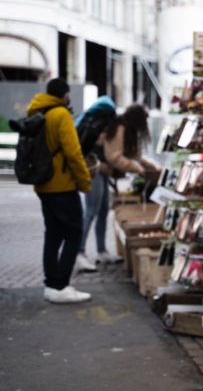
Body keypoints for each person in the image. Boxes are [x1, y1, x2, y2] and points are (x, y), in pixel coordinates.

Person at [28, 78, 92, 303]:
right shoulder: (61, 114)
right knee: (74, 233)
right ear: (65, 94)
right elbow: (73, 153)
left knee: (53, 234)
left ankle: (51, 285)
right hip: (62, 185)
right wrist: (84, 182)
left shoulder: (39, 112)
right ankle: (61, 285)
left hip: (43, 184)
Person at [77, 104, 160, 271]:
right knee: (91, 211)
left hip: (103, 170)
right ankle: (79, 252)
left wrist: (152, 167)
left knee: (102, 212)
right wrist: (138, 168)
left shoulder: (127, 130)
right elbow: (114, 157)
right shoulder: (120, 128)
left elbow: (134, 156)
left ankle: (101, 251)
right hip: (95, 168)